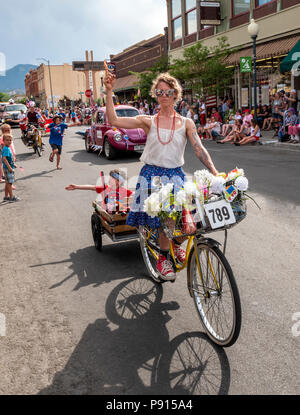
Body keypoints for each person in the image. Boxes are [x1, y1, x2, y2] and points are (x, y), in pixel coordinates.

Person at [104, 70, 218, 282]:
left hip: (176, 175)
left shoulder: (186, 123)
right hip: (152, 176)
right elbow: (113, 119)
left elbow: (199, 149)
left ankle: (175, 243)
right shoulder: (148, 121)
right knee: (168, 213)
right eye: (159, 92)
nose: (164, 95)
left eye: (168, 92)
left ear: (176, 94)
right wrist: (109, 91)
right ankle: (163, 258)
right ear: (155, 95)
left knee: (193, 217)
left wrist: (214, 171)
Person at [66, 169, 133, 213]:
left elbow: (134, 196)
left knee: (126, 206)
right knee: (112, 205)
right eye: (110, 178)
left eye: (112, 179)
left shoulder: (124, 191)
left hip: (120, 213)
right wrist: (76, 187)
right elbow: (92, 187)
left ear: (119, 182)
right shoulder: (105, 188)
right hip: (108, 214)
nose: (109, 180)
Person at [1, 134, 20, 202]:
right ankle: (11, 197)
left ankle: (6, 197)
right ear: (3, 141)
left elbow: (9, 158)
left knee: (7, 182)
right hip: (7, 168)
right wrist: (9, 167)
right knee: (9, 183)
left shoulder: (7, 148)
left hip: (8, 167)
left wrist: (13, 164)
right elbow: (4, 159)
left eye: (10, 140)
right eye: (7, 140)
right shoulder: (6, 149)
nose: (9, 141)